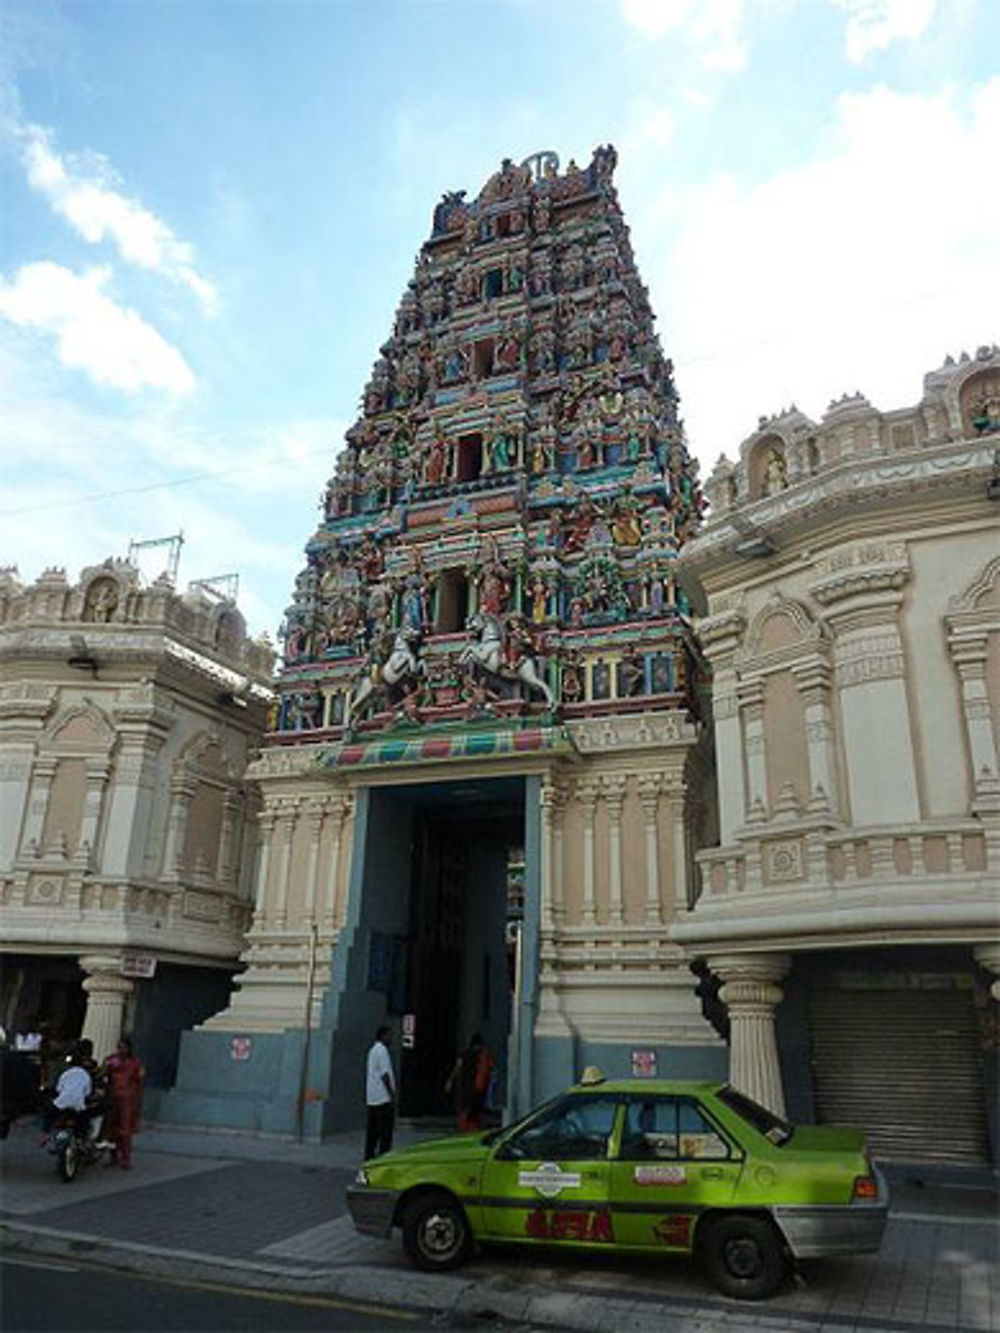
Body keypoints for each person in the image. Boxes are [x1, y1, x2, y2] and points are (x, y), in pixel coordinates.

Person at [103, 1036, 144, 1169]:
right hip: (112, 1097)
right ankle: (113, 1156)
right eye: (119, 1047)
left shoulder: (135, 1063)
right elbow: (104, 1075)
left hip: (128, 1099)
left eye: (123, 1047)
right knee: (111, 1129)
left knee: (125, 1129)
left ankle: (125, 1158)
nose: (121, 1050)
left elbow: (139, 1082)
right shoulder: (111, 1060)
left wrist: (137, 1101)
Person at [40, 1043, 92, 1140]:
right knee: (84, 1122)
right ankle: (82, 1139)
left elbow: (59, 1089)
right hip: (78, 1105)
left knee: (48, 1112)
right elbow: (87, 1092)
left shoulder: (65, 1074)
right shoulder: (86, 1075)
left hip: (61, 1103)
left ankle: (45, 1133)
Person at [444, 1033, 496, 1132]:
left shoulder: (465, 1054)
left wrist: (450, 1081)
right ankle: (473, 1127)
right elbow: (492, 1068)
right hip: (479, 1086)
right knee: (475, 1109)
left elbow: (457, 1068)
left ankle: (464, 1127)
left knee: (465, 1108)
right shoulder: (483, 1054)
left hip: (465, 1085)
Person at [364, 1025, 395, 1160]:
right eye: (390, 1035)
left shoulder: (373, 1050)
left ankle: (369, 1155)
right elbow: (385, 1075)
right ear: (383, 1036)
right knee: (385, 1131)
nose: (392, 1038)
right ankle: (383, 1156)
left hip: (372, 1097)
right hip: (383, 1098)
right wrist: (392, 1095)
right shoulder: (382, 1051)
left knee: (373, 1130)